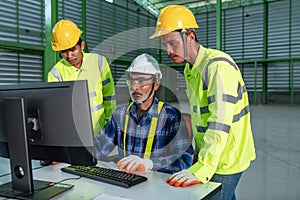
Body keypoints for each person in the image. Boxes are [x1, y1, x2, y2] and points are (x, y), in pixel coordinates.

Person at [150, 5, 256, 199]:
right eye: (165, 44)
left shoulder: (217, 67)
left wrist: (203, 167)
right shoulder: (191, 71)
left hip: (225, 158)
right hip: (212, 155)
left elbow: (219, 123)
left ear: (189, 35)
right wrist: (198, 155)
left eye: (172, 43)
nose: (168, 50)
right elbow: (201, 118)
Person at [95, 53, 193, 174]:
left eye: (141, 81)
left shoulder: (170, 116)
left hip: (157, 186)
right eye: (132, 81)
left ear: (156, 84)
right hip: (126, 182)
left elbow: (184, 160)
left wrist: (150, 163)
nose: (135, 87)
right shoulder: (120, 114)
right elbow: (99, 147)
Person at [48, 19, 116, 136]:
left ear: (82, 45)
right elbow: (57, 110)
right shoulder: (55, 73)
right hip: (72, 134)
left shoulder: (99, 62)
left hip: (99, 132)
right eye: (64, 51)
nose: (69, 56)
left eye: (73, 49)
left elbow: (109, 97)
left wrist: (108, 125)